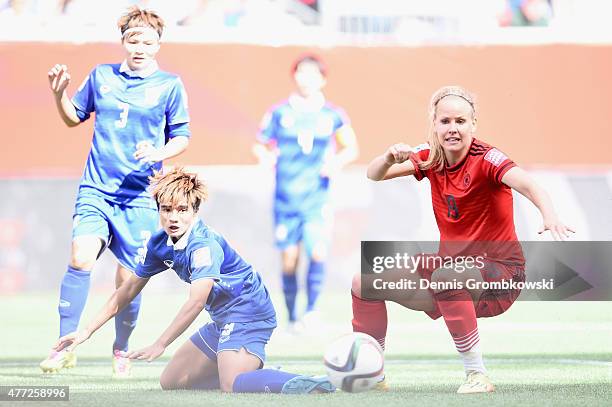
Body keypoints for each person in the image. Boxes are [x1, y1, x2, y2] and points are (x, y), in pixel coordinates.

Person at [352, 85, 574, 393]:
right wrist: (388, 156)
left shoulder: (488, 158)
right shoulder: (430, 158)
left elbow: (529, 185)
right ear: (434, 124)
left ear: (473, 124)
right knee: (363, 283)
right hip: (452, 271)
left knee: (446, 275)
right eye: (445, 122)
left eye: (460, 121)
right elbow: (375, 174)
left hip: (501, 275)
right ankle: (371, 375)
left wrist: (549, 216)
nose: (452, 128)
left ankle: (477, 375)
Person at [53, 168, 335, 394]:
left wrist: (160, 343)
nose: (173, 217)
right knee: (172, 381)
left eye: (182, 209)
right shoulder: (160, 243)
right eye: (166, 209)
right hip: (223, 317)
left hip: (249, 312)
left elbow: (197, 301)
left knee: (230, 384)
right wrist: (86, 332)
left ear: (195, 210)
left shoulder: (203, 245)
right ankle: (254, 374)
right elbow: (126, 290)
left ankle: (304, 383)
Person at [40, 6, 191, 377]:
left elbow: (182, 137)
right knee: (80, 258)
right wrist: (58, 95)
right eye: (132, 39)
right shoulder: (101, 76)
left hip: (140, 197)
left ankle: (121, 347)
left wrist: (159, 152)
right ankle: (64, 347)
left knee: (128, 281)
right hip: (96, 189)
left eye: (148, 41)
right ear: (122, 40)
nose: (139, 46)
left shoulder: (170, 85)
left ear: (159, 44)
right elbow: (73, 117)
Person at [254, 54, 359, 331]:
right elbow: (260, 144)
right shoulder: (279, 113)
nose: (306, 78)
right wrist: (267, 159)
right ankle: (292, 318)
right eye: (301, 72)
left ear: (323, 79)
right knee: (289, 261)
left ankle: (311, 310)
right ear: (294, 76)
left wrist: (335, 162)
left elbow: (351, 147)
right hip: (286, 198)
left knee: (317, 253)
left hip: (317, 198)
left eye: (313, 74)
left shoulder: (332, 115)